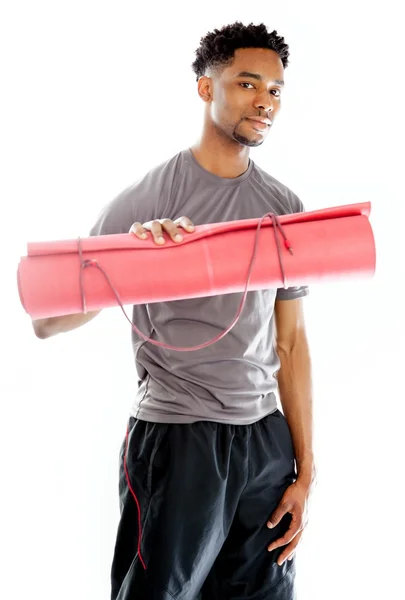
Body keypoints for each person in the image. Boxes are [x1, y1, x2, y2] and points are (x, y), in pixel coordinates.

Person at [33, 21, 316, 600]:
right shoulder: (153, 197)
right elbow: (47, 320)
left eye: (276, 90)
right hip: (179, 438)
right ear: (206, 89)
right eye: (247, 83)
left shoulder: (284, 207)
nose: (265, 101)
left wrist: (305, 470)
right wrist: (135, 261)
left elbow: (290, 344)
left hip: (265, 444)